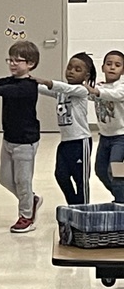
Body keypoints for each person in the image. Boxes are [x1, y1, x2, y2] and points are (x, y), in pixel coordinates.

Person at [0, 41, 42, 233]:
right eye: (10, 60)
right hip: (9, 139)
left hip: (26, 142)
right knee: (5, 178)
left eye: (18, 60)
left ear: (30, 63)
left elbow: (8, 91)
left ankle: (26, 216)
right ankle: (32, 200)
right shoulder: (10, 80)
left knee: (23, 181)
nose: (12, 64)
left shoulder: (29, 86)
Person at [36, 53, 96, 205]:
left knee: (81, 180)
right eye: (69, 67)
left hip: (80, 142)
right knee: (60, 175)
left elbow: (59, 86)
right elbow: (43, 89)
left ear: (86, 75)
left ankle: (83, 211)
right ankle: (73, 205)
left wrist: (47, 81)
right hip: (65, 142)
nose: (71, 71)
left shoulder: (82, 91)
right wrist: (26, 81)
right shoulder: (61, 92)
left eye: (77, 69)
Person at [85, 49, 124, 203]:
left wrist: (95, 91)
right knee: (101, 171)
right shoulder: (100, 86)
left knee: (116, 171)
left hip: (121, 137)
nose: (112, 67)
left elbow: (114, 95)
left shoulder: (120, 87)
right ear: (102, 67)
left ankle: (121, 202)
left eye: (117, 65)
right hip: (104, 137)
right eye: (109, 64)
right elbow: (87, 94)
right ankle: (120, 196)